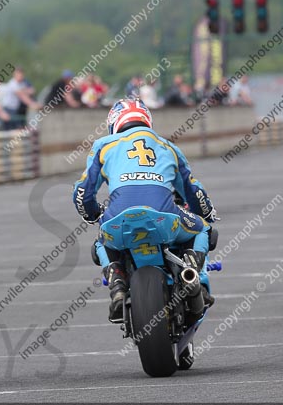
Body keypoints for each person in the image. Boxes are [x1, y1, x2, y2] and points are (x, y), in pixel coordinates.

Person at [72, 99, 217, 323]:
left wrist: (92, 215)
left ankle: (117, 286)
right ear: (147, 119)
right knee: (202, 229)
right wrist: (205, 214)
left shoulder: (103, 145)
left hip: (118, 220)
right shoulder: (168, 147)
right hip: (164, 217)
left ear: (114, 122)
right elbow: (194, 191)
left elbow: (82, 192)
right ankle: (191, 270)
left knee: (102, 241)